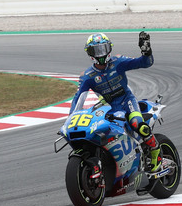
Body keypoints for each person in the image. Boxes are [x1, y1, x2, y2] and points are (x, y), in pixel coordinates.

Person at [69, 32, 162, 172]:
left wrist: (147, 52)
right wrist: (72, 118)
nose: (101, 54)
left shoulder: (118, 62)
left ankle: (156, 151)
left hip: (127, 101)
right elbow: (77, 99)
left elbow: (144, 63)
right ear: (90, 53)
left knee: (138, 124)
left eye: (103, 49)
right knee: (99, 132)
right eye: (96, 50)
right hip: (108, 108)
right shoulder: (87, 76)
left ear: (109, 48)